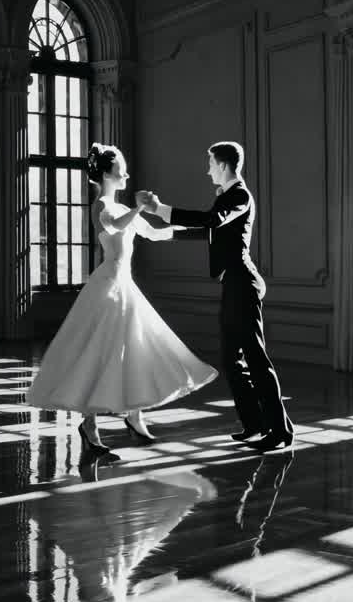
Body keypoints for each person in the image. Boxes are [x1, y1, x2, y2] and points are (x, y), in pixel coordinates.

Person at [24, 143, 218, 457]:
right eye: (120, 170)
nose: (126, 175)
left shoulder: (122, 207)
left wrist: (205, 233)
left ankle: (134, 416)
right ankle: (90, 426)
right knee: (97, 352)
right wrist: (139, 208)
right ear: (105, 175)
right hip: (107, 287)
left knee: (136, 348)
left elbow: (155, 233)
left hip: (124, 285)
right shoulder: (101, 205)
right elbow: (114, 225)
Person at [138, 140, 294, 451]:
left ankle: (280, 431)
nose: (207, 171)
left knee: (255, 360)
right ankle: (255, 425)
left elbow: (211, 221)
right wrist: (163, 232)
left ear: (222, 165)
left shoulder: (239, 195)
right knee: (232, 361)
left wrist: (160, 210)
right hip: (233, 285)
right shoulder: (226, 198)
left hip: (243, 285)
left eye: (210, 164)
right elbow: (210, 230)